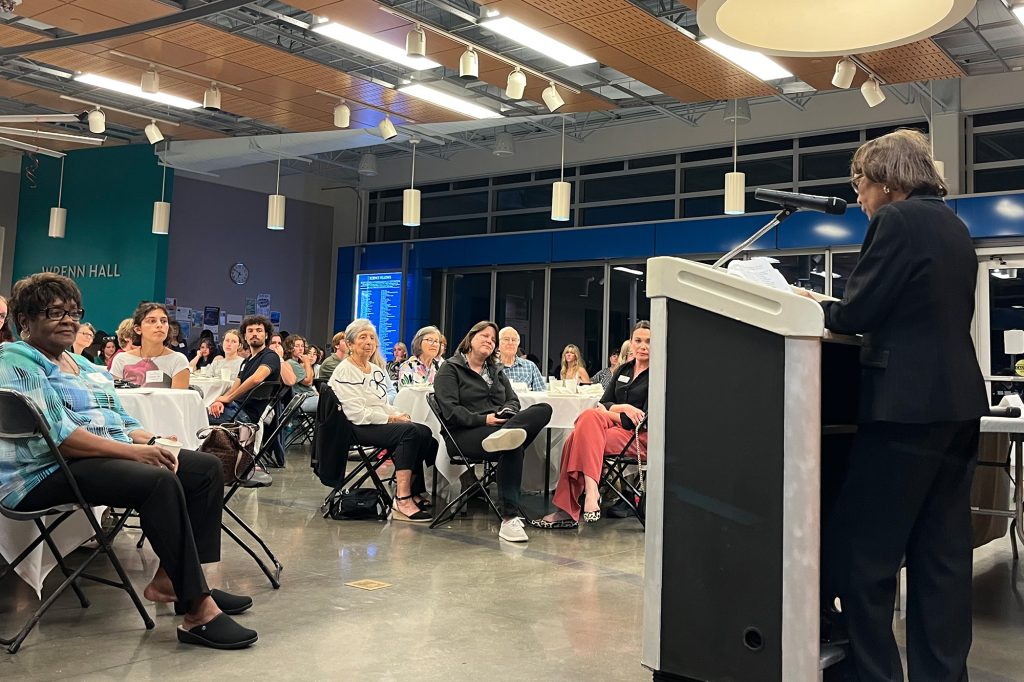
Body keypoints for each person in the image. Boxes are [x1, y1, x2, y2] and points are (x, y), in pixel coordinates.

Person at [805, 129, 988, 682]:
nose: (859, 198)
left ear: (886, 181)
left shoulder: (897, 221)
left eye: (860, 184)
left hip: (904, 407)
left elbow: (859, 312)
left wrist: (815, 304)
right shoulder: (954, 225)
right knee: (942, 556)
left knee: (865, 556)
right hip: (958, 404)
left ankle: (874, 673)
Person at [0, 273, 257, 649]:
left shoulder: (81, 364)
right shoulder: (16, 359)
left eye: (74, 312)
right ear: (24, 321)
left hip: (85, 461)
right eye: (55, 313)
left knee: (204, 468)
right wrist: (137, 453)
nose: (69, 320)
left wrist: (151, 440)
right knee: (156, 478)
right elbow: (63, 438)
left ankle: (177, 579)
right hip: (41, 472)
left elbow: (120, 419)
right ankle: (198, 610)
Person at [433, 320, 552, 543]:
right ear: (470, 338)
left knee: (543, 409)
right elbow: (450, 412)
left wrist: (506, 413)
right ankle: (509, 519)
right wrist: (484, 419)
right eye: (484, 336)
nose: (490, 340)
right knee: (513, 446)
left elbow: (513, 401)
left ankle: (506, 433)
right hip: (465, 433)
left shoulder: (495, 371)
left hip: (499, 428)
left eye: (493, 339)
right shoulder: (450, 369)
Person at [532, 321, 650, 529]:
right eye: (638, 340)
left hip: (639, 436)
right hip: (612, 428)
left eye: (649, 341)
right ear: (630, 344)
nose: (643, 346)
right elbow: (603, 402)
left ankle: (567, 510)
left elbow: (643, 418)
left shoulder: (659, 374)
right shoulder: (624, 369)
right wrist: (623, 408)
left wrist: (614, 412)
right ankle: (591, 490)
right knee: (588, 415)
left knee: (575, 440)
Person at [329, 319, 437, 521]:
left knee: (425, 432)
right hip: (355, 426)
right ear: (350, 344)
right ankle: (402, 500)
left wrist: (397, 413)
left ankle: (414, 489)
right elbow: (356, 413)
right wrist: (390, 419)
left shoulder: (376, 369)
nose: (369, 341)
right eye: (363, 337)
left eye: (372, 337)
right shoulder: (345, 370)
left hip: (374, 420)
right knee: (410, 433)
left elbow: (382, 402)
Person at [209, 316, 285, 467]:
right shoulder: (247, 360)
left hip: (247, 414)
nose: (254, 334)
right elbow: (237, 384)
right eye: (250, 331)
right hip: (235, 408)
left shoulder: (270, 356)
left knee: (197, 416)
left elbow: (257, 378)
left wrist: (228, 399)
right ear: (245, 336)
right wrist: (221, 399)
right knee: (200, 410)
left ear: (266, 335)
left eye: (259, 330)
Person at [110, 303, 190, 389]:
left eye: (163, 321)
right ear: (138, 329)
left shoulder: (178, 360)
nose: (159, 325)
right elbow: (115, 397)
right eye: (152, 321)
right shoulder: (121, 359)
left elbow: (179, 400)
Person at [497, 327, 545, 392]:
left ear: (518, 344)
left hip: (526, 402)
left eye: (514, 340)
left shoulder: (530, 366)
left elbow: (541, 394)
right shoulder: (491, 366)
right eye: (506, 339)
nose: (510, 343)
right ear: (498, 344)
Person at [285, 335, 317, 412]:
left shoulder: (297, 363)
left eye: (302, 346)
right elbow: (308, 382)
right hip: (302, 400)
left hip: (307, 396)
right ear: (290, 348)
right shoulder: (292, 363)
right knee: (331, 404)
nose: (300, 349)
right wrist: (307, 362)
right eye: (297, 346)